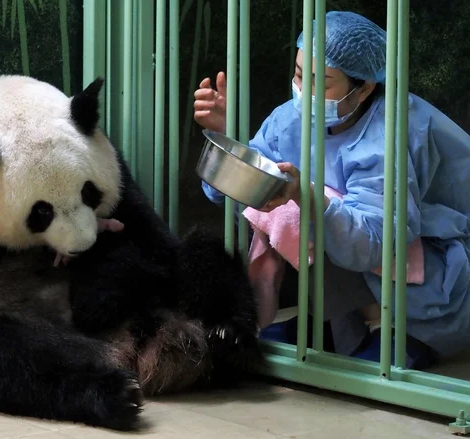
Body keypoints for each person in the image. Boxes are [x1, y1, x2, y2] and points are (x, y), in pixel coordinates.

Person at [193, 10, 470, 369]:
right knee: (298, 212)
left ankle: (403, 332)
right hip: (356, 261)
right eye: (297, 74)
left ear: (365, 86)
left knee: (323, 209)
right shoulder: (288, 119)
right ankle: (330, 325)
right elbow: (252, 196)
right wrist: (230, 142)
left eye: (320, 82)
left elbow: (375, 242)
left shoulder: (392, 132)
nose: (303, 91)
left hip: (433, 265)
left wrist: (305, 195)